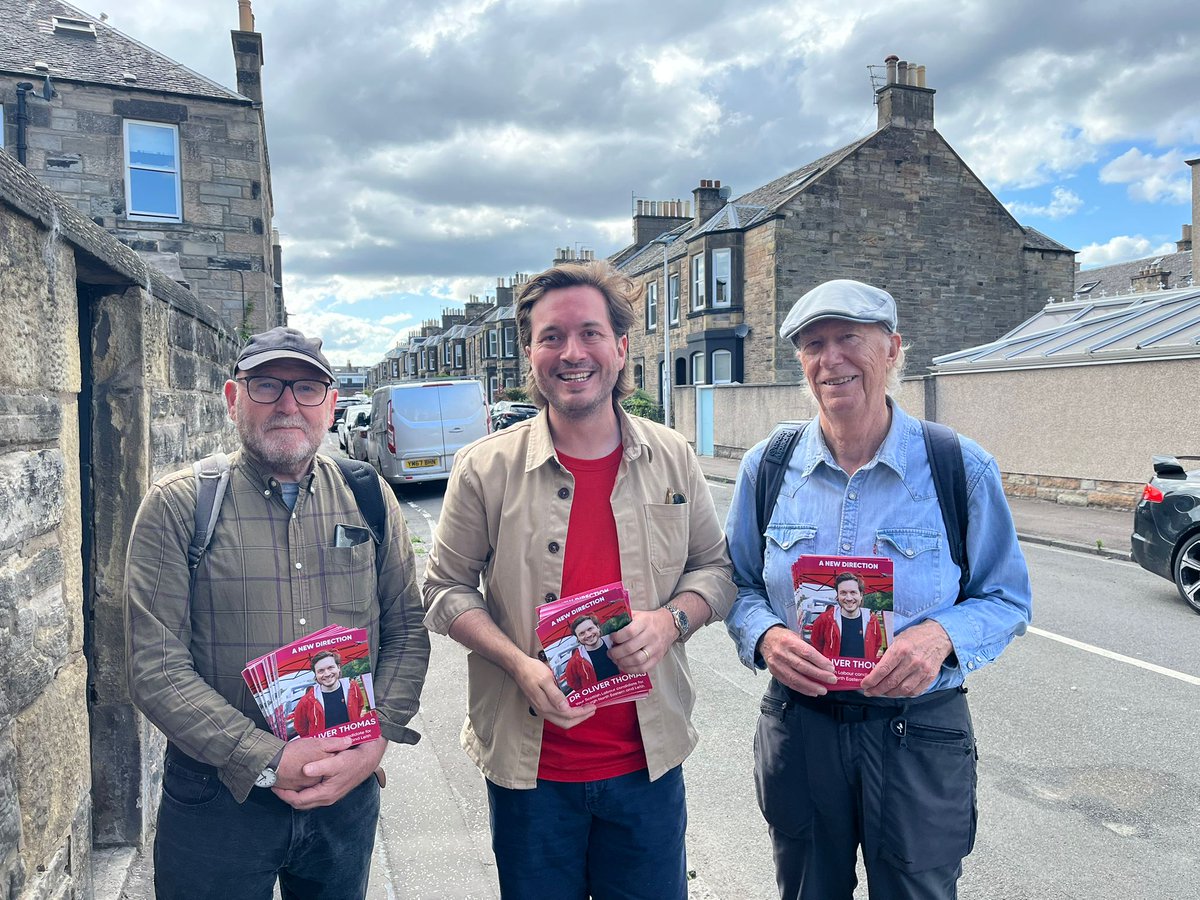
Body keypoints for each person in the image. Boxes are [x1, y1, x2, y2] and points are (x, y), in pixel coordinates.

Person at [422, 261, 735, 900]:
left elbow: (717, 570)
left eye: (590, 333)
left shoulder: (673, 455)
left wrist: (672, 621)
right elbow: (443, 589)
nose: (572, 353)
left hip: (646, 769)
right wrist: (517, 663)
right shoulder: (483, 469)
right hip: (530, 776)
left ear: (621, 348)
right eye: (551, 336)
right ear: (530, 354)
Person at [723, 280, 1032, 899]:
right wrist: (766, 635)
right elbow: (734, 581)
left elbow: (1007, 598)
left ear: (892, 350)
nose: (830, 359)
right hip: (802, 724)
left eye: (848, 340)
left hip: (917, 733)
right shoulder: (769, 465)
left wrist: (941, 636)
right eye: (813, 345)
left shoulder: (958, 466)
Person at [124, 326, 430, 900]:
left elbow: (407, 629)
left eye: (308, 389)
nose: (289, 404)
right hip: (218, 799)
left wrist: (375, 740)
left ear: (332, 404)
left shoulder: (368, 496)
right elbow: (155, 665)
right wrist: (266, 757)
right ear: (232, 398)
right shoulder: (179, 506)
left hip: (346, 788)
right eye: (267, 386)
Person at [292, 650, 371, 737]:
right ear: (315, 674)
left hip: (354, 742)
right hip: (325, 749)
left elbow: (359, 707)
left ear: (338, 667)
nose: (327, 674)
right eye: (320, 671)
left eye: (330, 668)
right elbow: (300, 728)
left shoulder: (353, 687)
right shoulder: (306, 701)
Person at [808, 573, 884, 661]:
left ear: (861, 595)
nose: (849, 598)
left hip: (864, 674)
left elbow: (876, 645)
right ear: (838, 596)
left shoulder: (872, 621)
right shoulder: (823, 619)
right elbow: (816, 648)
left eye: (853, 592)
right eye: (843, 593)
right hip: (831, 674)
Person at [563, 614, 619, 692]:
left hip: (625, 691)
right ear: (578, 638)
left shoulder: (615, 643)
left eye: (590, 629)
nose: (588, 635)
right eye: (582, 633)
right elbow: (574, 684)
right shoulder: (574, 662)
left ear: (598, 627)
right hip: (600, 701)